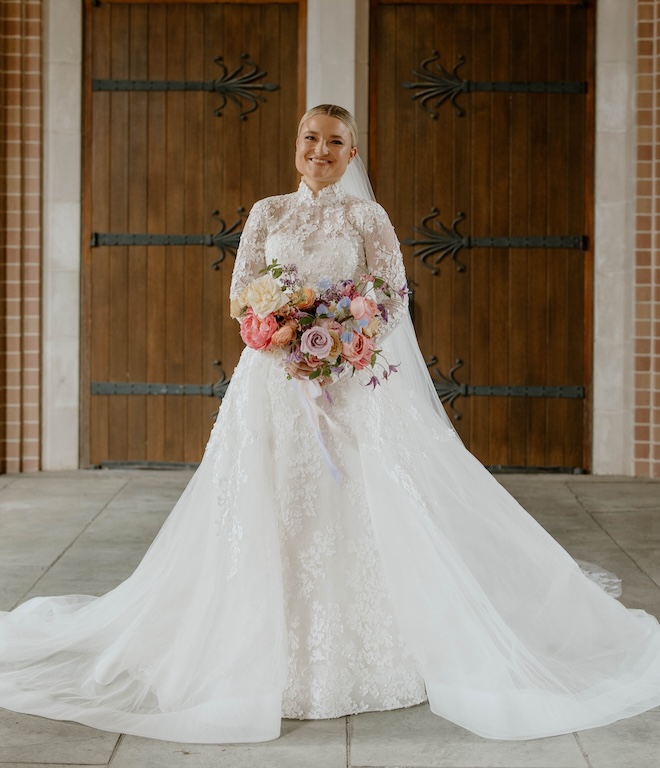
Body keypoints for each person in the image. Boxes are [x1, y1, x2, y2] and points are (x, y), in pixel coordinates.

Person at [1, 104, 660, 744]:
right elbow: (240, 294)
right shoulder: (269, 212)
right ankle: (257, 649)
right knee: (271, 503)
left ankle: (365, 651)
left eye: (335, 142)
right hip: (273, 386)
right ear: (297, 142)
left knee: (355, 506)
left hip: (347, 387)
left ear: (353, 154)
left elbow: (394, 296)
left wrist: (344, 331)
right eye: (311, 138)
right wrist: (279, 325)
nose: (320, 151)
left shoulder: (365, 216)